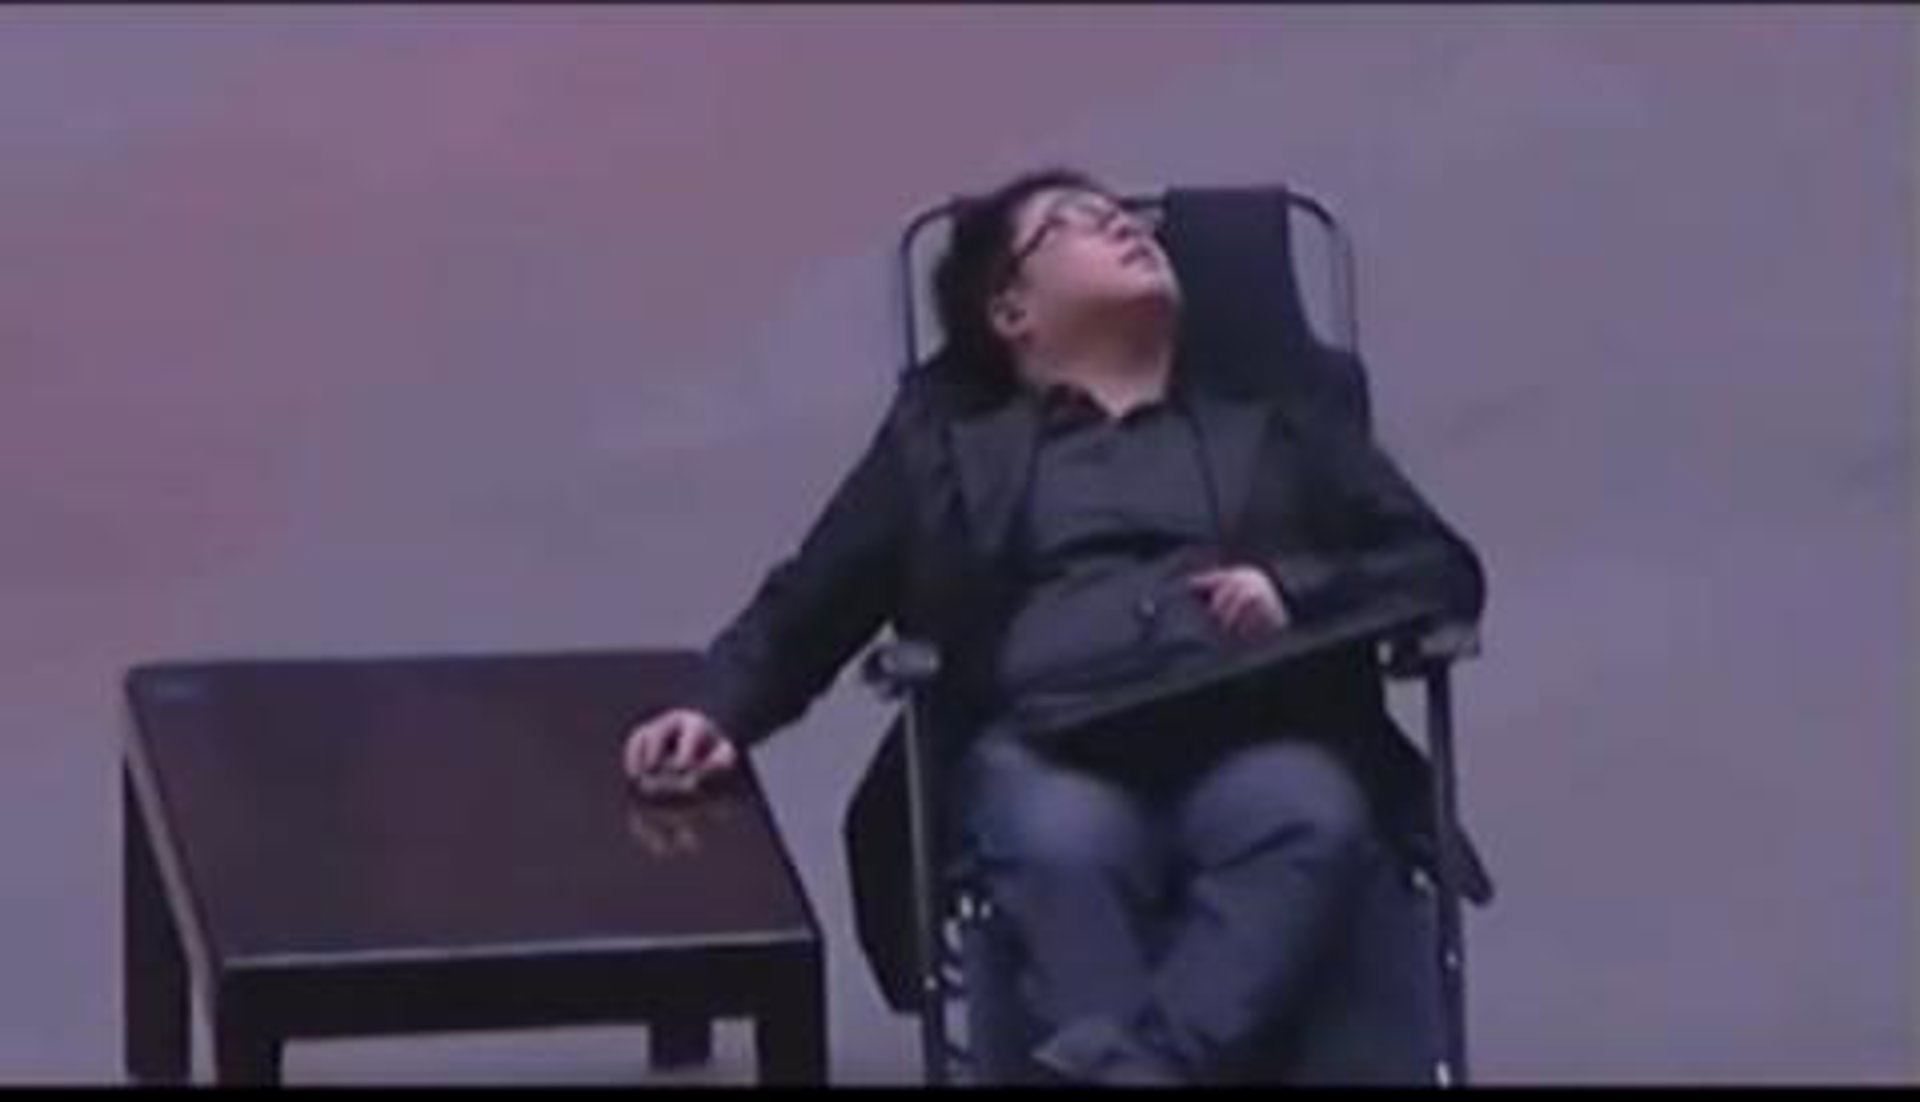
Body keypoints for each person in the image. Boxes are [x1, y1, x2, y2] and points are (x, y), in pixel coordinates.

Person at [621, 167, 1487, 1084]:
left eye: (1121, 217)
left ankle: (1131, 1069)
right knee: (1060, 844)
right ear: (1011, 311)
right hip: (1047, 748)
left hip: (1254, 735)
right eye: (1075, 222)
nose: (1124, 226)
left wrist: (1293, 590)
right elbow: (817, 594)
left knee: (1313, 812)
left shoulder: (1278, 422)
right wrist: (717, 710)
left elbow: (1439, 568)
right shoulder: (945, 446)